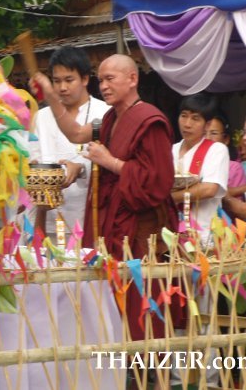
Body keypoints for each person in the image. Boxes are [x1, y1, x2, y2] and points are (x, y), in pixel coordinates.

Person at [32, 54, 178, 342]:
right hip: (110, 226)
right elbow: (75, 133)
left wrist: (109, 161)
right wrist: (50, 96)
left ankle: (148, 376)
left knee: (139, 300)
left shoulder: (149, 120)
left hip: (139, 232)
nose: (104, 86)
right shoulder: (111, 118)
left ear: (132, 79)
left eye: (111, 78)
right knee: (107, 301)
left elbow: (158, 182)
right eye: (102, 79)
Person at [33, 46, 110, 240]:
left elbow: (110, 162)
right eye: (56, 81)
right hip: (48, 219)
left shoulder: (104, 114)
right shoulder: (41, 117)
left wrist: (80, 167)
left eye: (69, 80)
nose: (62, 88)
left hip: (89, 220)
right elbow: (31, 157)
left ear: (85, 79)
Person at [171, 94, 229, 246]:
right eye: (184, 116)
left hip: (205, 235)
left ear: (208, 125)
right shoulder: (172, 150)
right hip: (171, 235)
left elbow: (209, 189)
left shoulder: (216, 150)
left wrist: (170, 198)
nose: (187, 124)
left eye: (195, 118)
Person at [205, 114, 246, 198]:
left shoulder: (234, 168)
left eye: (213, 133)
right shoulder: (194, 161)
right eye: (203, 133)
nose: (207, 138)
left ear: (226, 139)